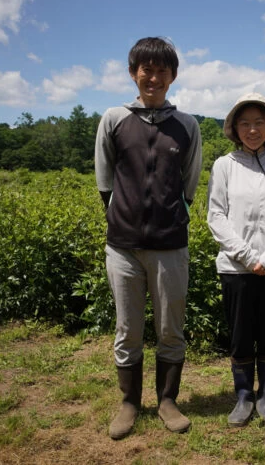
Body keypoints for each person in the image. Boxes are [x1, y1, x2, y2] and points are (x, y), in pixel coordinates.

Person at [95, 37, 202, 439]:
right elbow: (104, 179)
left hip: (171, 246)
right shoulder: (114, 118)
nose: (153, 77)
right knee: (128, 329)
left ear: (172, 77)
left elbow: (190, 184)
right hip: (122, 246)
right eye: (146, 69)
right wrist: (122, 217)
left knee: (171, 328)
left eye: (161, 71)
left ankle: (168, 401)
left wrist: (173, 216)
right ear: (133, 73)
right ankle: (129, 402)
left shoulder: (186, 124)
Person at [206, 93, 265, 429]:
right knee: (241, 333)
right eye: (244, 123)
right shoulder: (224, 166)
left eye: (259, 122)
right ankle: (244, 396)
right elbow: (216, 216)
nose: (252, 129)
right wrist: (247, 256)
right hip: (236, 267)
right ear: (234, 128)